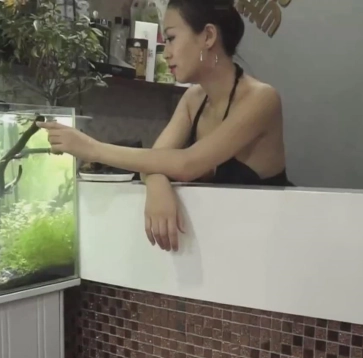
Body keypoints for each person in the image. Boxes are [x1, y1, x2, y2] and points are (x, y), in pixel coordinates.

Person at [38, 0, 294, 251]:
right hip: (214, 248)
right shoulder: (193, 99)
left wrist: (92, 149)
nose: (166, 52)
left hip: (266, 248)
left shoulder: (261, 99)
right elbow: (157, 158)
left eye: (171, 38)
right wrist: (157, 184)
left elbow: (187, 164)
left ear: (208, 36)